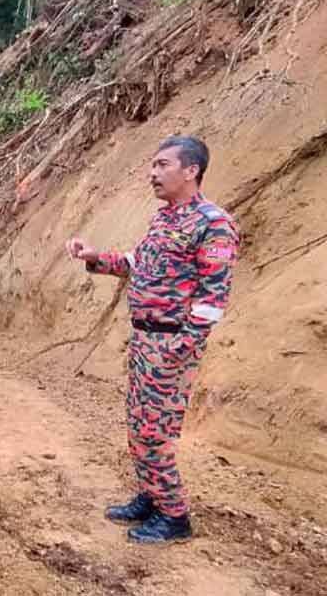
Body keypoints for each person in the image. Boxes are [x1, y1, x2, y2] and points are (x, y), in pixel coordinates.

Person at [65, 135, 239, 544]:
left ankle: (174, 516)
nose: (153, 173)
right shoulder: (165, 219)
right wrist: (93, 256)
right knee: (138, 425)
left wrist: (181, 349)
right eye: (153, 165)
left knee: (155, 432)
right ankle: (151, 496)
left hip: (171, 346)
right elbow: (134, 261)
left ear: (190, 170)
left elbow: (214, 299)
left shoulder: (213, 224)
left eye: (162, 165)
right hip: (145, 342)